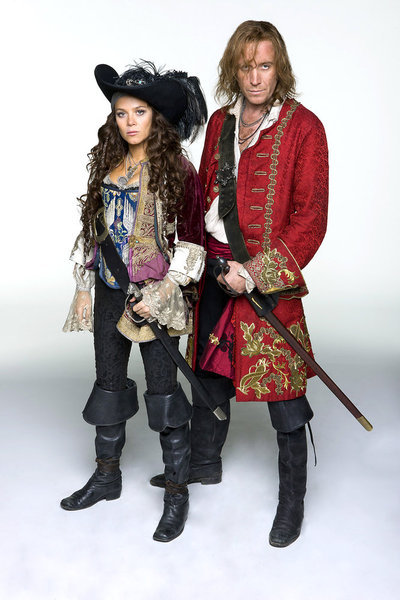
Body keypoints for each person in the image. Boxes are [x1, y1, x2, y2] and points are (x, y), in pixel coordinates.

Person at [151, 21, 329, 548]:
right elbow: (204, 197)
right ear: (234, 68)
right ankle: (204, 463)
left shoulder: (305, 128)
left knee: (284, 393)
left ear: (280, 68)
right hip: (214, 272)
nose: (255, 77)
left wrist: (253, 273)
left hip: (263, 279)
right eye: (246, 66)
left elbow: (310, 219)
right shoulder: (220, 123)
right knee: (208, 374)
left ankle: (292, 500)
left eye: (265, 66)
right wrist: (196, 262)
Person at [61, 61, 207, 543]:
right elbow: (94, 231)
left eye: (139, 112)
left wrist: (162, 292)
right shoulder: (108, 165)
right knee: (108, 385)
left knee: (164, 395)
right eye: (121, 112)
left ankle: (177, 494)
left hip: (155, 299)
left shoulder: (177, 170)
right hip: (110, 292)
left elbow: (192, 241)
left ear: (155, 117)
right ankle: (107, 476)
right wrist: (85, 285)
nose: (129, 122)